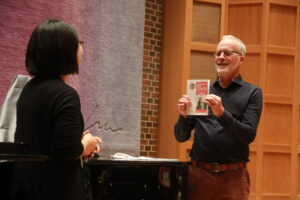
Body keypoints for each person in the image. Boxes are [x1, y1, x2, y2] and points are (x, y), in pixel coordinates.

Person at [10, 19, 102, 200]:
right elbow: (68, 151)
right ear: (64, 50)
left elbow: (41, 138)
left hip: (26, 188)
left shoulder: (28, 89)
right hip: (56, 189)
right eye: (79, 43)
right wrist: (87, 144)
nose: (81, 48)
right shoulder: (65, 94)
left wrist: (76, 137)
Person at [174, 35, 263, 200]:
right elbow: (180, 136)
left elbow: (248, 135)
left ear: (241, 59)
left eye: (227, 53)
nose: (221, 57)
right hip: (198, 175)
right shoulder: (201, 90)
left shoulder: (252, 93)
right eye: (218, 53)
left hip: (233, 178)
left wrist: (222, 114)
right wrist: (184, 116)